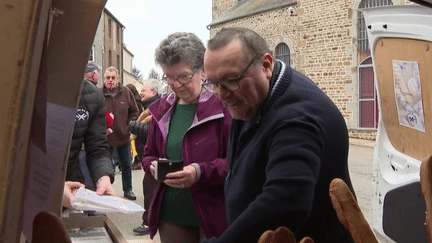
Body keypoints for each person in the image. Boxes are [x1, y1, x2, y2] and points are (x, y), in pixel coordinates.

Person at [202, 27, 354, 243]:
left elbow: (286, 200)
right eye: (213, 83)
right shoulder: (253, 99)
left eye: (231, 80)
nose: (221, 94)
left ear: (266, 65)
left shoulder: (297, 117)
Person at [142, 32, 232, 243]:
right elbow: (147, 155)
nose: (176, 84)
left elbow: (236, 161)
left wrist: (199, 172)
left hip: (214, 215)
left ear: (202, 71)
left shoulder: (223, 108)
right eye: (169, 77)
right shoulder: (160, 111)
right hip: (171, 215)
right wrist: (152, 166)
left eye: (183, 76)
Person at [66, 62, 115, 199]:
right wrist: (56, 187)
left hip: (72, 183)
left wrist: (103, 177)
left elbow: (97, 147)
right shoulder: (28, 85)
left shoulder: (93, 94)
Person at [102, 66, 139, 200]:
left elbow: (135, 112)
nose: (110, 80)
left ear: (118, 79)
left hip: (124, 137)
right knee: (106, 166)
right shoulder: (99, 94)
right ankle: (107, 191)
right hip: (106, 138)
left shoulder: (127, 93)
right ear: (104, 79)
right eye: (108, 78)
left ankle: (128, 190)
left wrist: (128, 126)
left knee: (126, 164)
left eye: (113, 78)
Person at [130, 79, 161, 235]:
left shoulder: (156, 108)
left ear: (154, 92)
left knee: (150, 187)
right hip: (148, 155)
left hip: (153, 156)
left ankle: (149, 222)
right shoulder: (148, 107)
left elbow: (151, 131)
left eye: (145, 90)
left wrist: (132, 126)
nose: (141, 92)